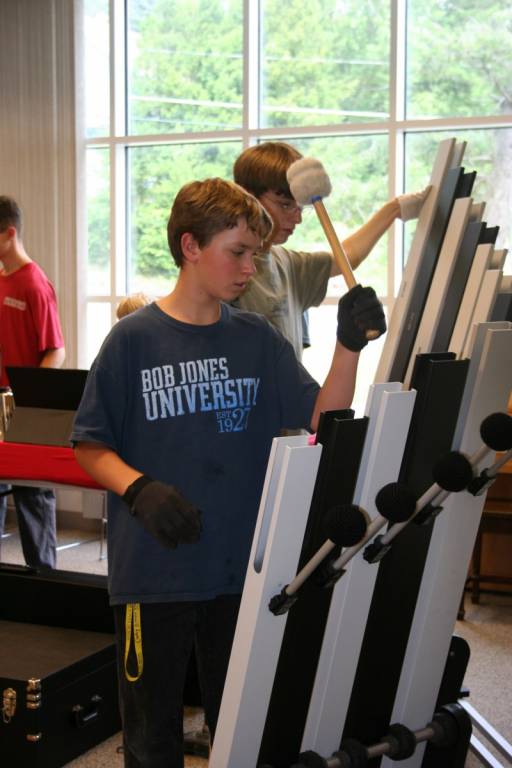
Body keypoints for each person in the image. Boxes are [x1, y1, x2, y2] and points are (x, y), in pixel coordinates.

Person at [71, 178, 386, 768]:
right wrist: (138, 488)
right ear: (190, 246)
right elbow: (90, 445)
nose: (249, 269)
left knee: (242, 733)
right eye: (237, 252)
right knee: (151, 739)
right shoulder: (132, 341)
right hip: (153, 574)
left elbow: (323, 419)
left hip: (241, 572)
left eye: (254, 255)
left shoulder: (255, 339)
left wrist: (349, 346)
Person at [233, 141, 430, 358]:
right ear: (247, 196)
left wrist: (395, 208)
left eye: (300, 208)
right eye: (285, 205)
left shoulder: (287, 263)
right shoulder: (225, 272)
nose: (297, 219)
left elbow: (347, 257)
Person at [0, 195, 65, 569]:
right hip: (1, 403)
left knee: (32, 495)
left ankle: (44, 576)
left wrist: (28, 399)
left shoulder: (35, 284)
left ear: (9, 234)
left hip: (24, 407)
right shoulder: (2, 281)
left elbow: (56, 351)